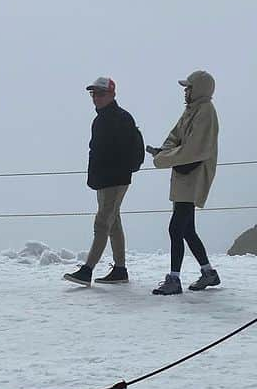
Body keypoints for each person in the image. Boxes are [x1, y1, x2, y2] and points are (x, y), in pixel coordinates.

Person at [64, 76, 142, 286]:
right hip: (105, 180)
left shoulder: (120, 118)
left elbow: (119, 153)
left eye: (100, 93)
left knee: (102, 223)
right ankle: (120, 269)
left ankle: (87, 270)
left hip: (115, 180)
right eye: (93, 94)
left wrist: (110, 174)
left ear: (112, 95)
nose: (95, 98)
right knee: (113, 222)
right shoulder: (102, 119)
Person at [149, 70, 220, 295]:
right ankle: (208, 272)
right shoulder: (192, 110)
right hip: (184, 175)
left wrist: (163, 157)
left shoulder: (206, 112)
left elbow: (194, 149)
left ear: (198, 89)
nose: (185, 92)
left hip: (193, 176)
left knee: (176, 227)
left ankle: (174, 279)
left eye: (188, 88)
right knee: (187, 229)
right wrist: (167, 152)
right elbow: (175, 137)